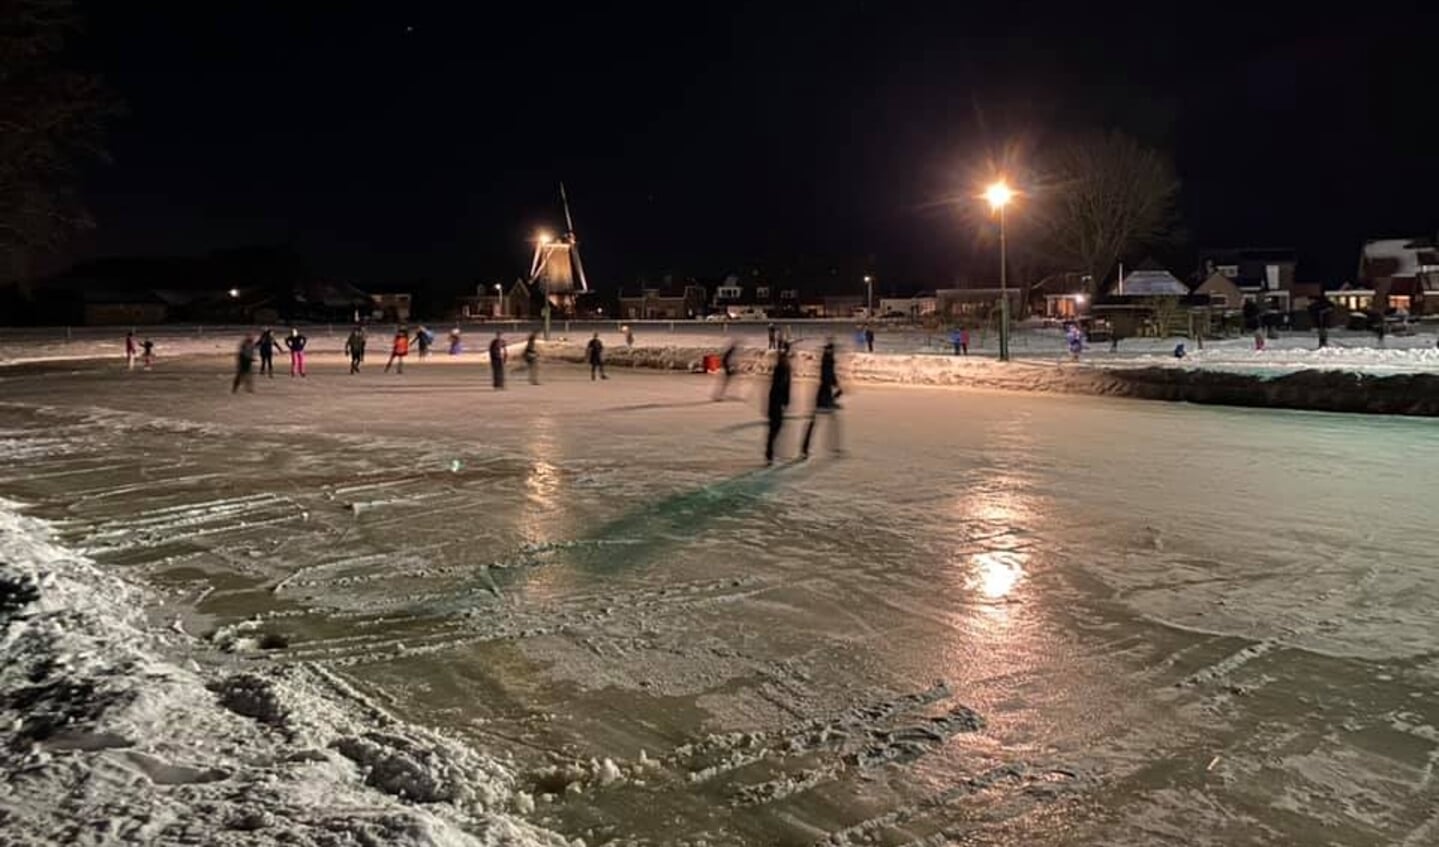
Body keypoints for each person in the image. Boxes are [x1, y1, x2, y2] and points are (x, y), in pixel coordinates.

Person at [801, 339, 842, 458]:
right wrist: (837, 388)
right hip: (823, 394)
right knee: (820, 421)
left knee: (818, 421)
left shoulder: (827, 359)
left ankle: (806, 447)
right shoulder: (828, 360)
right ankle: (831, 446)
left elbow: (829, 376)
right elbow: (828, 377)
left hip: (824, 393)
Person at [765, 342, 792, 464]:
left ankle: (771, 452)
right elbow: (783, 384)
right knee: (776, 426)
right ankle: (770, 453)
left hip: (775, 399)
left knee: (775, 427)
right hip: (776, 400)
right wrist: (785, 400)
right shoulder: (784, 364)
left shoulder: (782, 362)